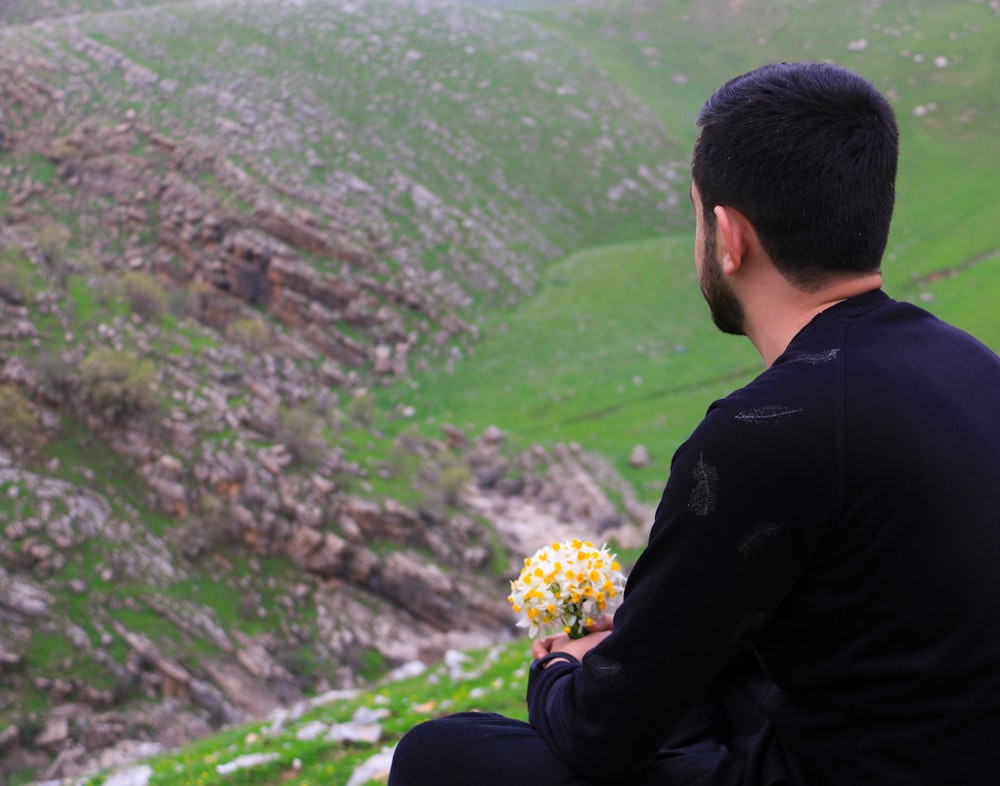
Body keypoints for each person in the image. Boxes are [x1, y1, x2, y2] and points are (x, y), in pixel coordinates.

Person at [388, 62, 1000, 786]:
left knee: (441, 753)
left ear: (728, 236)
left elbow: (599, 735)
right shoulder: (972, 366)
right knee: (692, 688)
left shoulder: (765, 431)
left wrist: (559, 665)